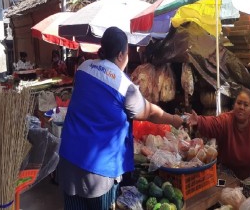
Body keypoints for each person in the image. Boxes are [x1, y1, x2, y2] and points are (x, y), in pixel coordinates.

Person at [58, 27, 183, 209]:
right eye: (127, 53)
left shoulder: (83, 69)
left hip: (68, 161)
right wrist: (174, 119)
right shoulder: (124, 86)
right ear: (120, 55)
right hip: (98, 172)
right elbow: (150, 112)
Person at [185, 89, 250, 197]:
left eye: (246, 105)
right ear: (234, 105)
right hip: (226, 175)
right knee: (219, 193)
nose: (241, 107)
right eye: (239, 103)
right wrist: (199, 121)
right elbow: (212, 123)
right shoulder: (225, 120)